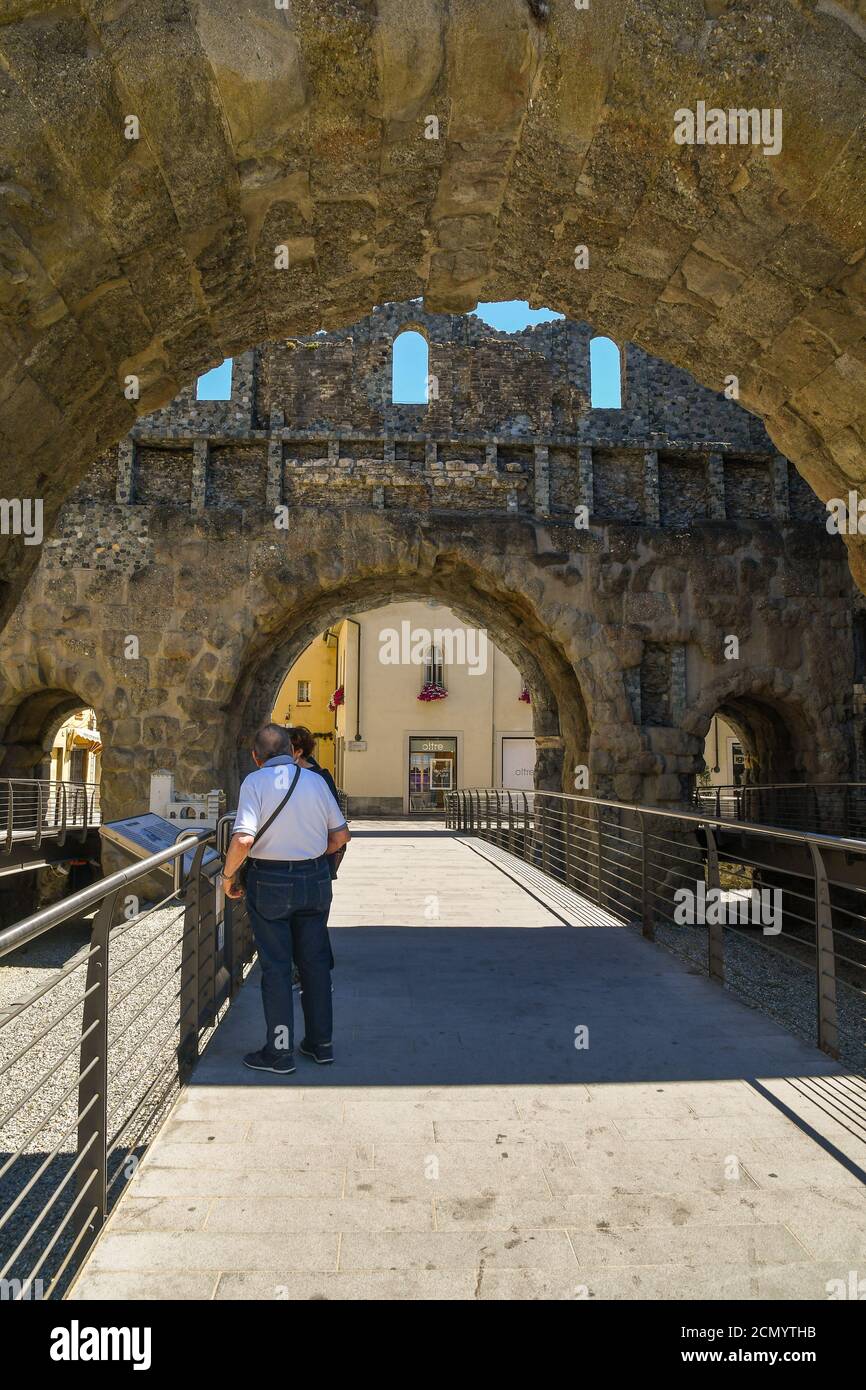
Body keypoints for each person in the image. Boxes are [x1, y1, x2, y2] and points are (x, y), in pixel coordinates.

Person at [222, 723, 350, 1074]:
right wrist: (309, 854)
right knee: (316, 963)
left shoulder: (255, 782)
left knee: (277, 968)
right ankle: (320, 1044)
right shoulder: (316, 782)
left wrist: (229, 875)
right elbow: (341, 836)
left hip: (270, 883)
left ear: (256, 756)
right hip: (314, 881)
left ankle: (279, 1052)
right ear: (291, 751)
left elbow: (244, 840)